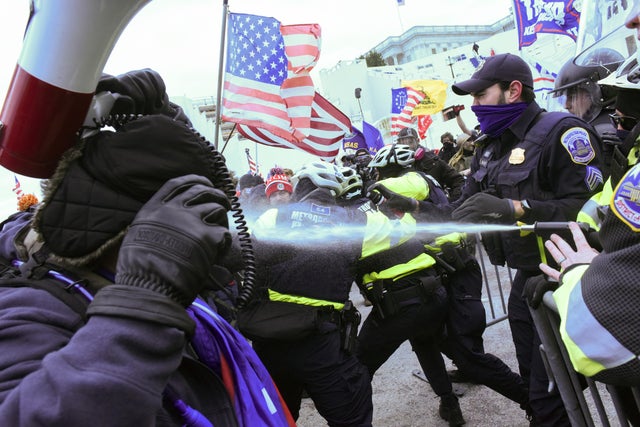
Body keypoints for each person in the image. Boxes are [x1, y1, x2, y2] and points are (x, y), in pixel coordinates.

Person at [0, 69, 294, 426]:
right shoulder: (29, 308)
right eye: (185, 217)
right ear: (138, 226)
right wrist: (143, 303)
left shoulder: (184, 290)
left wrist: (166, 118)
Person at [374, 53, 603, 426]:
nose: (475, 106)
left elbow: (590, 211)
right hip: (526, 284)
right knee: (534, 388)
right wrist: (413, 208)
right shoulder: (489, 147)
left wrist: (517, 208)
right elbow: (459, 212)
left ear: (513, 91)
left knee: (553, 396)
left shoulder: (563, 132)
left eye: (481, 95)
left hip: (569, 280)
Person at [365, 144, 529, 418]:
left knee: (468, 356)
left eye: (380, 173)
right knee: (423, 338)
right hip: (444, 273)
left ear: (388, 170)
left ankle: (532, 401)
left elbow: (378, 192)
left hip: (458, 274)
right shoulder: (424, 180)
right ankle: (448, 401)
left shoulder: (411, 180)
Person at [239, 161, 373, 427]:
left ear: (300, 187)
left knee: (277, 418)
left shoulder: (273, 217)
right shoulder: (355, 221)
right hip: (323, 342)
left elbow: (248, 263)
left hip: (271, 338)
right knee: (352, 418)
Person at [357, 143, 465, 426]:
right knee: (426, 344)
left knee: (357, 366)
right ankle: (450, 404)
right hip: (430, 289)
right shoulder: (418, 187)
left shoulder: (399, 186)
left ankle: (355, 419)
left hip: (399, 302)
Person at [548, 48, 625, 178]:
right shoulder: (613, 125)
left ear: (601, 91)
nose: (566, 105)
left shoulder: (600, 132)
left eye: (573, 96)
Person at [397, 127, 465, 200]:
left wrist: (452, 203)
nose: (407, 147)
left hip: (436, 208)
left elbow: (458, 180)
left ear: (418, 141)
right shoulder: (396, 166)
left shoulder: (433, 161)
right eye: (402, 143)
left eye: (410, 142)